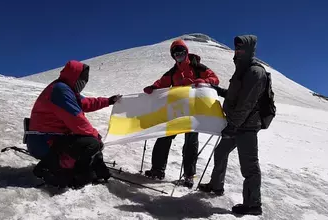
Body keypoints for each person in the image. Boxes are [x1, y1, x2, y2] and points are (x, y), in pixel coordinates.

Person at [198, 35, 267, 216]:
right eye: (236, 49)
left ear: (250, 50)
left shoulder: (255, 72)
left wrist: (233, 124)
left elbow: (247, 102)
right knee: (220, 152)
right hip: (237, 124)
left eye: (242, 49)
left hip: (247, 126)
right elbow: (236, 94)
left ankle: (253, 204)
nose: (238, 52)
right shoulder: (242, 71)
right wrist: (218, 91)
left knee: (249, 165)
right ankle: (216, 186)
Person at [27, 60, 122, 189]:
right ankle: (53, 168)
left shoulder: (66, 89)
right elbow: (76, 119)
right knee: (91, 143)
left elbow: (86, 102)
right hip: (44, 142)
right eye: (82, 80)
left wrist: (108, 101)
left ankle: (86, 169)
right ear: (75, 77)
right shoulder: (60, 91)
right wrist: (95, 136)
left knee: (90, 142)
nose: (83, 84)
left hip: (48, 138)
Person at [143, 39, 220, 188]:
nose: (179, 55)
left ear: (186, 52)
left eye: (181, 52)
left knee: (191, 143)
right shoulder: (173, 72)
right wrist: (153, 88)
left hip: (194, 111)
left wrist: (203, 80)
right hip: (177, 111)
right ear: (173, 56)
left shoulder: (198, 67)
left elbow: (214, 79)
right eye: (176, 53)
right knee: (164, 138)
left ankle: (189, 176)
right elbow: (162, 83)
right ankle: (157, 170)